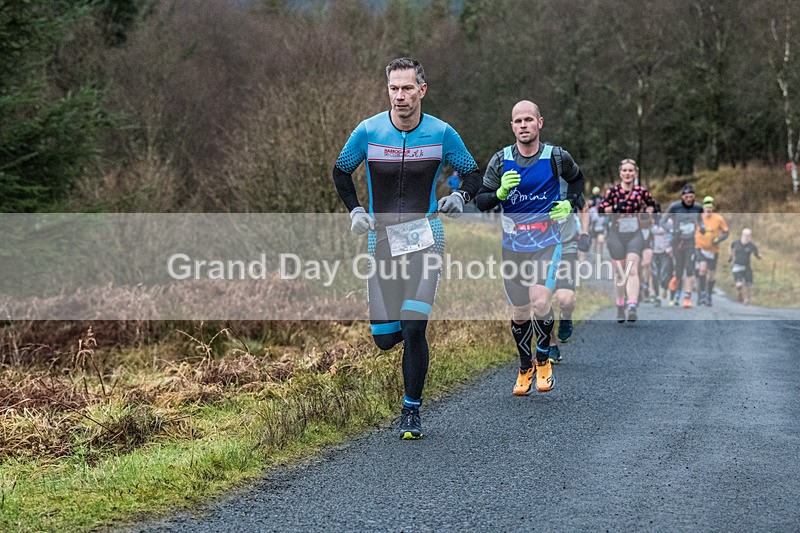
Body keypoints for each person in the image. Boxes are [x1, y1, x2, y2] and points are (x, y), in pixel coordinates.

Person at [332, 58, 482, 439]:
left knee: (414, 327)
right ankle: (410, 330)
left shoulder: (442, 133)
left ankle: (411, 411)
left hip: (426, 239)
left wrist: (461, 196)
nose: (400, 96)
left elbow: (474, 172)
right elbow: (340, 170)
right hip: (380, 240)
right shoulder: (368, 131)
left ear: (422, 90)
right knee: (385, 339)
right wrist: (354, 211)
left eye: (407, 88)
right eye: (394, 89)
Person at [475, 100, 585, 395]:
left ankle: (544, 358)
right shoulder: (500, 161)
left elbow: (577, 180)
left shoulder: (556, 157)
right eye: (517, 121)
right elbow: (481, 199)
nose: (523, 125)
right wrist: (499, 192)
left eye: (528, 120)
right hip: (512, 246)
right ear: (512, 126)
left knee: (540, 301)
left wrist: (568, 203)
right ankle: (525, 367)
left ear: (540, 123)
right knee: (520, 312)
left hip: (547, 241)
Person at [598, 159, 657, 323]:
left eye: (631, 170)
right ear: (620, 173)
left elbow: (653, 206)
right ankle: (620, 304)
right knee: (619, 273)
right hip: (616, 234)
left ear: (635, 173)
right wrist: (616, 208)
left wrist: (648, 214)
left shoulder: (641, 191)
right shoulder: (613, 192)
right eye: (625, 170)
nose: (628, 173)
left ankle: (632, 305)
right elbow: (601, 210)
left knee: (632, 269)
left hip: (635, 233)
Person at [547, 191, 590, 365]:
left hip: (567, 247)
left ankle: (566, 317)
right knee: (542, 300)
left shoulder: (567, 182)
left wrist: (584, 235)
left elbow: (584, 207)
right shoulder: (533, 180)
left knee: (565, 299)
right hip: (540, 248)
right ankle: (550, 344)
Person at [663, 183, 705, 309]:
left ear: (694, 197)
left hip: (690, 242)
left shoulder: (698, 208)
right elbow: (662, 221)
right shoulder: (674, 207)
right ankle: (674, 288)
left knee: (690, 269)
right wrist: (671, 230)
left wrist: (702, 228)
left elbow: (701, 220)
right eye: (686, 196)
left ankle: (687, 297)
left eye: (691, 196)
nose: (689, 199)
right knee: (679, 271)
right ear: (682, 197)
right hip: (677, 242)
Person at [694, 196, 729, 306]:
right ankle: (701, 295)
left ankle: (709, 294)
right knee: (702, 270)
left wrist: (718, 240)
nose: (708, 211)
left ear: (713, 208)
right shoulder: (698, 217)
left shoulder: (718, 218)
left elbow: (726, 232)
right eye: (706, 208)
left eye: (710, 208)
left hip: (713, 249)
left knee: (711, 274)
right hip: (700, 247)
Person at [729, 228, 762, 306]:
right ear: (742, 235)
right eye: (745, 235)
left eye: (748, 235)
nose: (746, 237)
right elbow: (731, 249)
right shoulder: (736, 243)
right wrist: (730, 257)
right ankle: (740, 293)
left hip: (746, 266)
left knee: (749, 284)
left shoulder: (752, 246)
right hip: (737, 266)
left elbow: (756, 254)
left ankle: (747, 300)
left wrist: (759, 256)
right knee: (739, 284)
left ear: (750, 236)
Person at [649, 214, 673, 307]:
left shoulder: (669, 221)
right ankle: (657, 296)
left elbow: (672, 234)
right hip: (653, 251)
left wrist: (670, 247)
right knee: (654, 274)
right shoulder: (651, 221)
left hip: (665, 251)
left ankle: (665, 287)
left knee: (663, 273)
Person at [588, 186, 607, 256]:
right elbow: (588, 219)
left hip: (601, 228)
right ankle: (595, 255)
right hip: (593, 229)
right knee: (594, 244)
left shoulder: (603, 210)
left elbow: (607, 218)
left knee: (601, 241)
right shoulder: (592, 210)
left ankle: (600, 255)